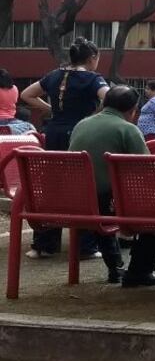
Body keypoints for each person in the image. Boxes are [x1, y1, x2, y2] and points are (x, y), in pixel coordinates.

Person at [68, 85, 155, 287]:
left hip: (78, 199)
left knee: (104, 201)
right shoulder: (127, 129)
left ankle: (116, 267)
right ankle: (140, 271)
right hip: (108, 202)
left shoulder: (82, 124)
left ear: (104, 103)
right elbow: (146, 171)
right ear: (132, 110)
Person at [20, 37, 109, 259]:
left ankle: (44, 244)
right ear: (92, 58)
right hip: (79, 133)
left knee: (53, 186)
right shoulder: (92, 78)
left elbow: (26, 95)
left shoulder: (54, 75)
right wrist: (95, 115)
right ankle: (85, 245)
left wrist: (51, 108)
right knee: (82, 186)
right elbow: (110, 98)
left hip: (54, 134)